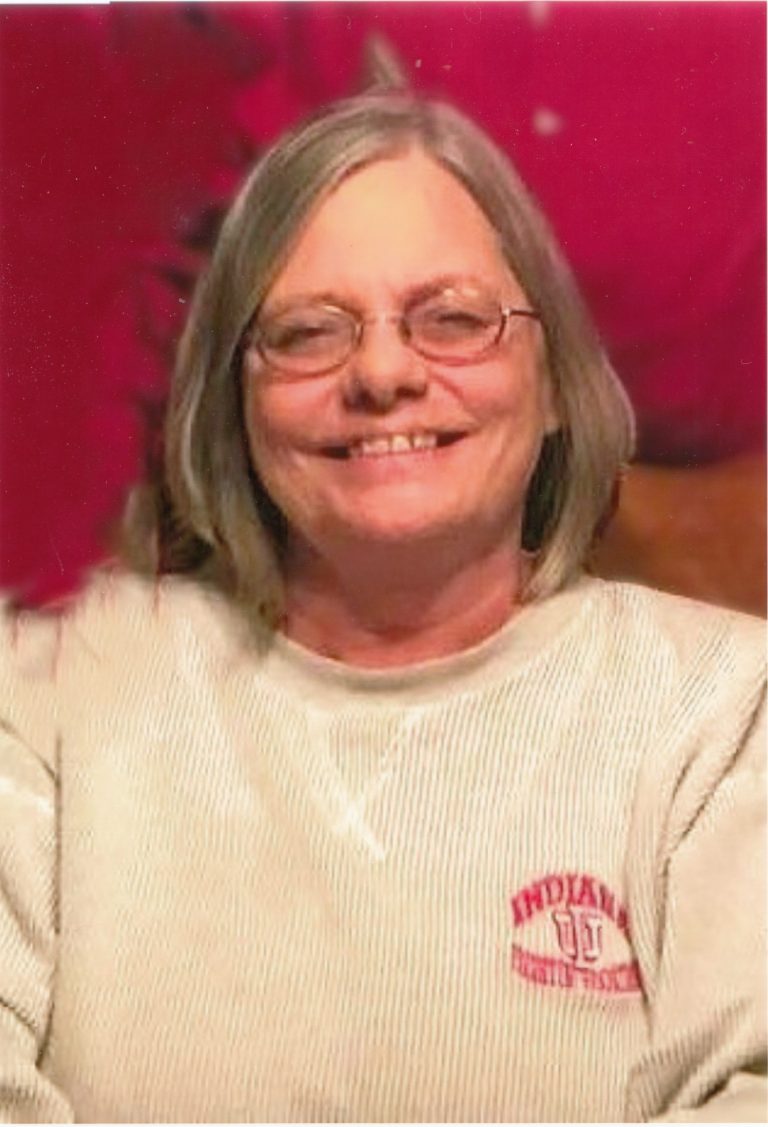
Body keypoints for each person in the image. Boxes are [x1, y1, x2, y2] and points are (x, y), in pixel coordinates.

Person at [0, 89, 764, 1123]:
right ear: (232, 401)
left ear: (552, 383)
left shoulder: (727, 709)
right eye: (308, 332)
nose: (383, 371)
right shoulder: (45, 681)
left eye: (453, 319)